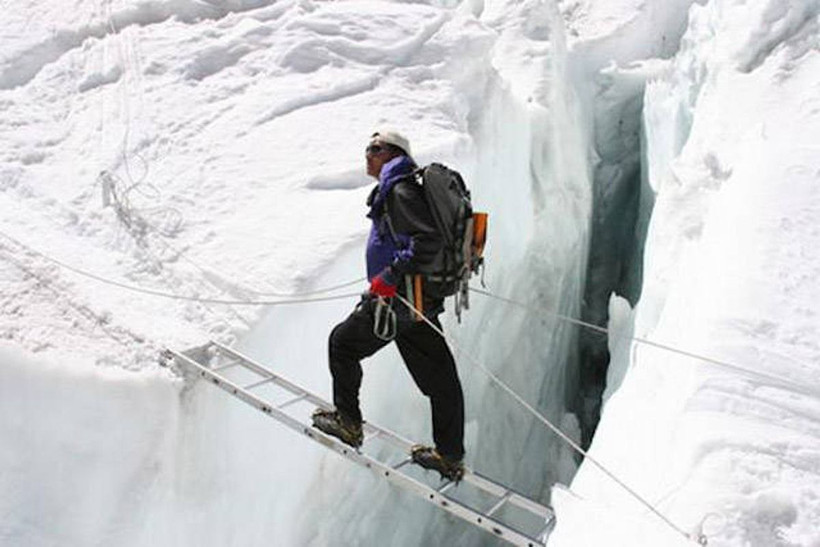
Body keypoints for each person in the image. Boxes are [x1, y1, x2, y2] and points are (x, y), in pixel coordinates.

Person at [312, 130, 465, 481]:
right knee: (441, 380)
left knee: (343, 344)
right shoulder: (401, 187)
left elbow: (428, 239)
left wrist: (391, 275)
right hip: (416, 302)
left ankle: (348, 422)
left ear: (394, 153)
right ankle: (450, 456)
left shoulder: (400, 188)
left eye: (376, 148)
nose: (368, 153)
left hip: (398, 298)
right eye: (367, 147)